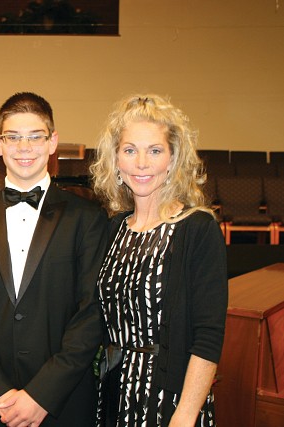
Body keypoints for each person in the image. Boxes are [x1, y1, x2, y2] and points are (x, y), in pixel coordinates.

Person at [0, 92, 108, 426]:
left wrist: (42, 394)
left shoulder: (88, 218)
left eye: (35, 137)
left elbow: (92, 312)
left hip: (62, 403)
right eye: (14, 137)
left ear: (52, 143)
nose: (24, 147)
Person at [90, 94, 228, 426]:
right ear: (116, 161)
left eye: (154, 150)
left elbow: (208, 336)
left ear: (172, 159)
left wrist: (185, 415)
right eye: (129, 150)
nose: (141, 163)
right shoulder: (112, 230)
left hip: (171, 400)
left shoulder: (198, 229)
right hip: (112, 394)